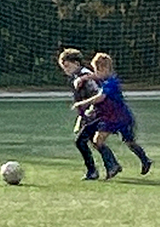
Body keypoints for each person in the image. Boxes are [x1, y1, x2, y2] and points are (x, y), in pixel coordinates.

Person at [74, 51, 153, 178]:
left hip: (118, 117)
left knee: (129, 142)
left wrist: (82, 103)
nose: (95, 73)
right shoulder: (107, 78)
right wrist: (85, 77)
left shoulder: (111, 83)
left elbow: (101, 97)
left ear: (104, 69)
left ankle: (143, 160)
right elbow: (96, 76)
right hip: (113, 117)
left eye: (97, 70)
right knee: (98, 140)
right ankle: (112, 166)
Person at [56, 48, 107, 181]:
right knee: (93, 141)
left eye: (67, 66)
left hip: (96, 114)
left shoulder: (85, 75)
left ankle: (93, 171)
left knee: (80, 141)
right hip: (89, 115)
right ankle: (112, 165)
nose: (65, 70)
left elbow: (97, 94)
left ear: (76, 63)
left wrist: (91, 110)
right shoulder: (77, 76)